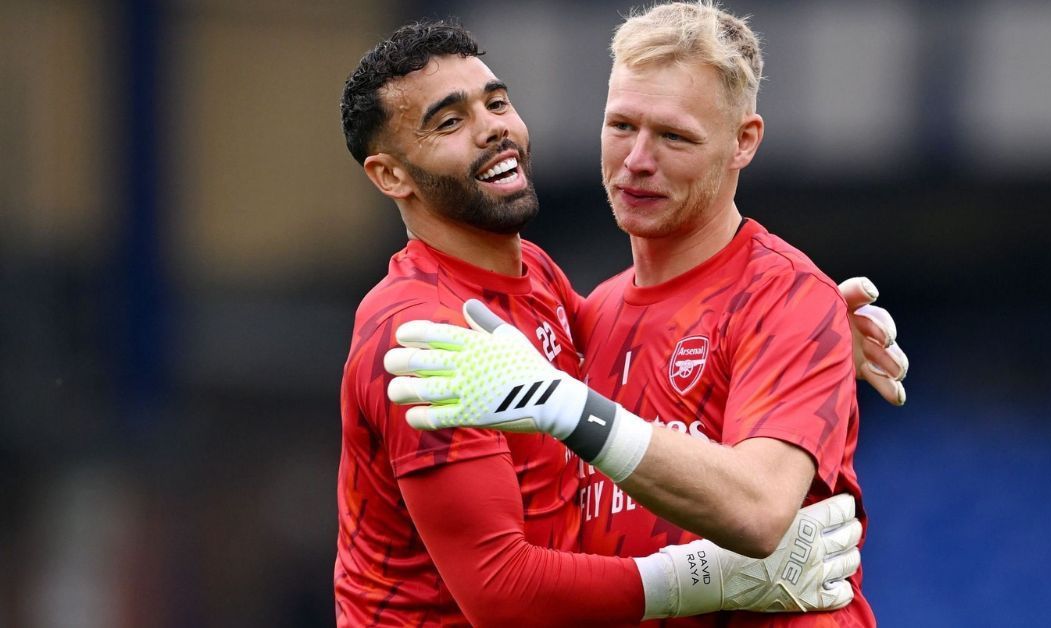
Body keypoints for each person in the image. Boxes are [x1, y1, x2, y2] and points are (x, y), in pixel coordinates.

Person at [338, 15, 905, 628]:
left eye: (675, 138)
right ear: (390, 174)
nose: (637, 161)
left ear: (743, 141)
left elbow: (760, 509)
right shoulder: (426, 333)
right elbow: (501, 591)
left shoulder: (553, 292)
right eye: (621, 127)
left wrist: (814, 319)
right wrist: (706, 579)